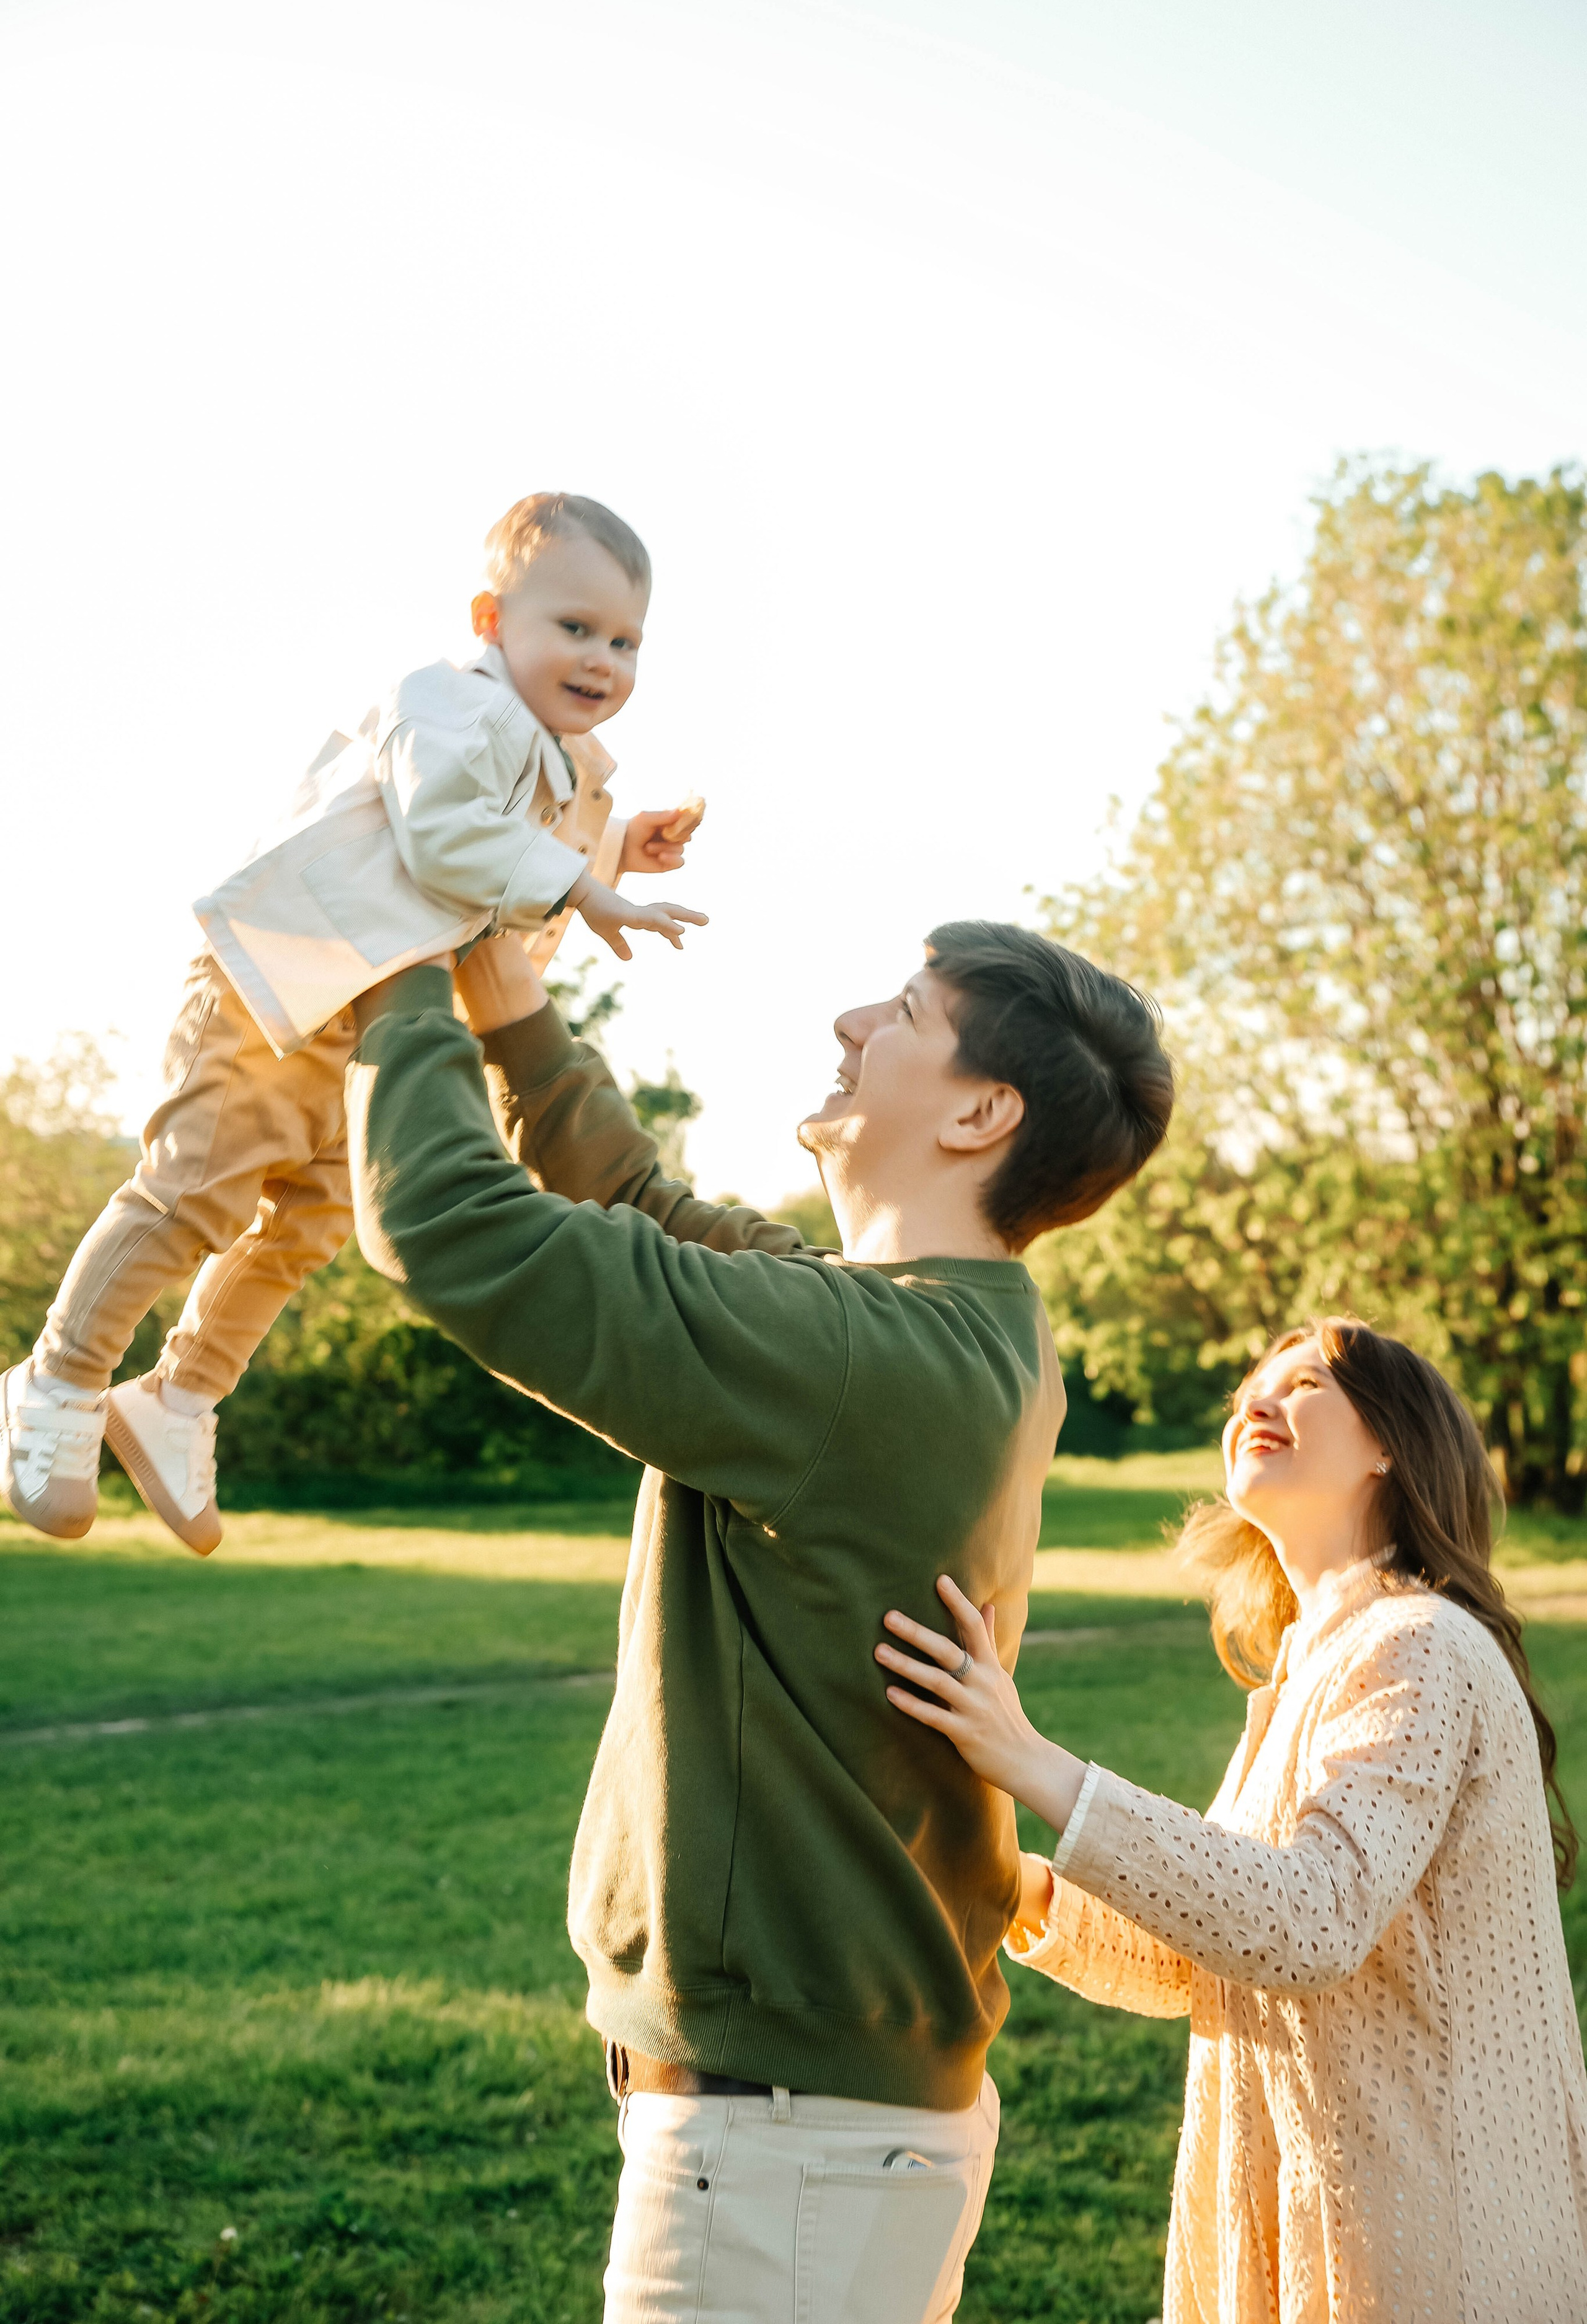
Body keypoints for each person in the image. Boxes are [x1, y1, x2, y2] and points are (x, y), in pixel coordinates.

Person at [344, 918, 1174, 2324]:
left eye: (903, 1012)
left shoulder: (856, 1357)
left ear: (980, 1114)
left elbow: (448, 1228)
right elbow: (648, 1207)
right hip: (822, 2133)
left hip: (788, 2151)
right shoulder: (964, 1328)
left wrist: (395, 956)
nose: (852, 1024)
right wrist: (506, 994)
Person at [0, 491, 704, 1555]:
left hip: (364, 1012)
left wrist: (611, 852)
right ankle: (59, 1378)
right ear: (490, 619)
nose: (602, 659)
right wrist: (583, 885)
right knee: (195, 1190)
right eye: (575, 627)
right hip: (275, 979)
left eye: (625, 641)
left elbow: (501, 855)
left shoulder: (552, 754)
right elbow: (444, 831)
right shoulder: (449, 700)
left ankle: (181, 1395)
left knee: (316, 1217)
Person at [877, 1316, 1587, 2324]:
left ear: (1390, 1443)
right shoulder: (1314, 1668)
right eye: (1250, 1387)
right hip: (1317, 2220)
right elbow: (1204, 1953)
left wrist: (1032, 1760)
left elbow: (1314, 1919)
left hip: (1435, 2249)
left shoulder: (1419, 1644)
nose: (1257, 1399)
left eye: (1305, 1383)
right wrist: (1015, 1889)